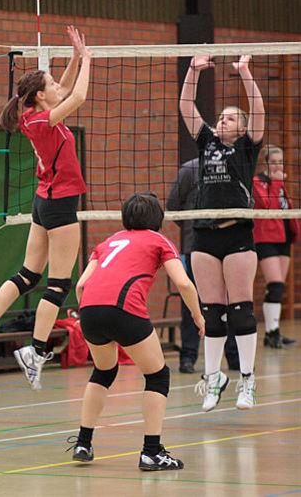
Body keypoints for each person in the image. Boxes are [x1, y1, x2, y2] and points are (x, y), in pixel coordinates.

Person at [0, 25, 92, 389]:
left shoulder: (35, 114)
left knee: (27, 276)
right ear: (40, 95)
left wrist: (76, 56)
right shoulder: (42, 119)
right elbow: (78, 95)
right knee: (58, 285)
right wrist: (90, 62)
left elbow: (65, 90)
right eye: (50, 84)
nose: (56, 86)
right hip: (60, 203)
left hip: (44, 200)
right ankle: (35, 351)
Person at [67, 192, 205, 471]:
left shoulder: (108, 242)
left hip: (89, 310)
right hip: (123, 310)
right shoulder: (158, 240)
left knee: (104, 371)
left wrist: (87, 315)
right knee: (158, 375)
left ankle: (83, 442)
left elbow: (81, 285)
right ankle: (151, 452)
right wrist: (198, 315)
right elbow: (185, 284)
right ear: (158, 219)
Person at [179, 54, 265, 411]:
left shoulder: (246, 148)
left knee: (241, 310)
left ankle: (247, 380)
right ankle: (212, 379)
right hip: (204, 235)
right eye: (220, 117)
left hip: (237, 234)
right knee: (212, 313)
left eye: (229, 117)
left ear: (241, 128)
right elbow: (185, 105)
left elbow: (258, 110)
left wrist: (245, 73)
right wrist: (192, 70)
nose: (221, 120)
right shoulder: (206, 143)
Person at [167, 157, 239, 373]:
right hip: (194, 247)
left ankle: (234, 356)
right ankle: (188, 356)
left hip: (227, 248)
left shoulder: (235, 165)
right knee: (192, 303)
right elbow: (173, 207)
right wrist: (194, 226)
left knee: (229, 303)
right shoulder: (190, 168)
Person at [253, 144, 300, 348]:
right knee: (275, 284)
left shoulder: (279, 184)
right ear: (265, 163)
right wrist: (276, 181)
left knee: (278, 288)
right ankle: (271, 333)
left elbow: (285, 210)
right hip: (265, 238)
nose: (277, 165)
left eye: (280, 162)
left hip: (284, 238)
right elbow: (266, 206)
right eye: (273, 162)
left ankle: (274, 332)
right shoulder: (258, 182)